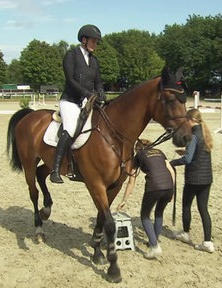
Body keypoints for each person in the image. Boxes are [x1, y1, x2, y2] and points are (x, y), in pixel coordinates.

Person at [50, 24, 106, 184]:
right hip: (70, 100)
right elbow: (70, 80)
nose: (95, 44)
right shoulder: (71, 55)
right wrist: (87, 94)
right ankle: (55, 169)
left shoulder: (94, 61)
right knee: (70, 128)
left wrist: (101, 92)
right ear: (84, 39)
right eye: (94, 41)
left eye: (97, 42)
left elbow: (99, 82)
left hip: (87, 101)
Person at [117, 139, 175, 259]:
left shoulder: (139, 155)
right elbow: (171, 170)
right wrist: (172, 191)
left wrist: (124, 199)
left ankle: (154, 247)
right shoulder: (159, 151)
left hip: (154, 186)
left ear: (137, 148)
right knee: (159, 213)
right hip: (168, 185)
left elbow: (131, 181)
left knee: (145, 216)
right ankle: (154, 240)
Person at [170, 108, 215, 253]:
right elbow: (197, 153)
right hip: (207, 178)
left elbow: (187, 160)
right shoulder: (204, 133)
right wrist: (186, 151)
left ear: (189, 121)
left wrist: (171, 163)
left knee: (186, 206)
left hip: (194, 178)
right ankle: (208, 242)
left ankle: (186, 233)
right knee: (203, 210)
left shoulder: (193, 136)